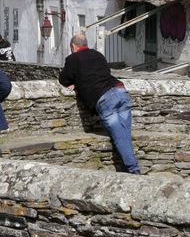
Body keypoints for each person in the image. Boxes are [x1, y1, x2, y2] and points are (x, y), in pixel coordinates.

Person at [59, 33, 140, 174]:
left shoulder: (73, 59)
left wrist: (76, 84)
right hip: (120, 91)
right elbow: (103, 73)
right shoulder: (98, 55)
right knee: (124, 134)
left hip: (104, 98)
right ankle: (127, 170)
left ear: (73, 46)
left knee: (120, 136)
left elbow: (64, 79)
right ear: (86, 43)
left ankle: (134, 170)